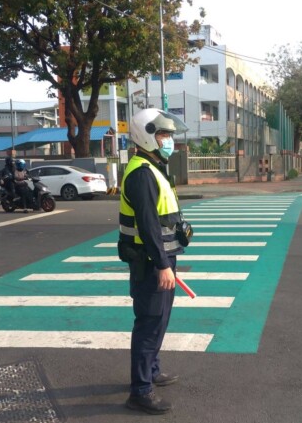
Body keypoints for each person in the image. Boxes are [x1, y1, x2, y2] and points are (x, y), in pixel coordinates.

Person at [118, 108, 191, 415]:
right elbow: (148, 225)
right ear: (146, 135)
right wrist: (162, 264)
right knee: (149, 323)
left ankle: (152, 371)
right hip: (150, 263)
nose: (169, 140)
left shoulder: (152, 167)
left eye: (170, 135)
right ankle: (141, 390)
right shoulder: (142, 173)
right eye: (164, 134)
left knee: (159, 320)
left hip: (161, 259)